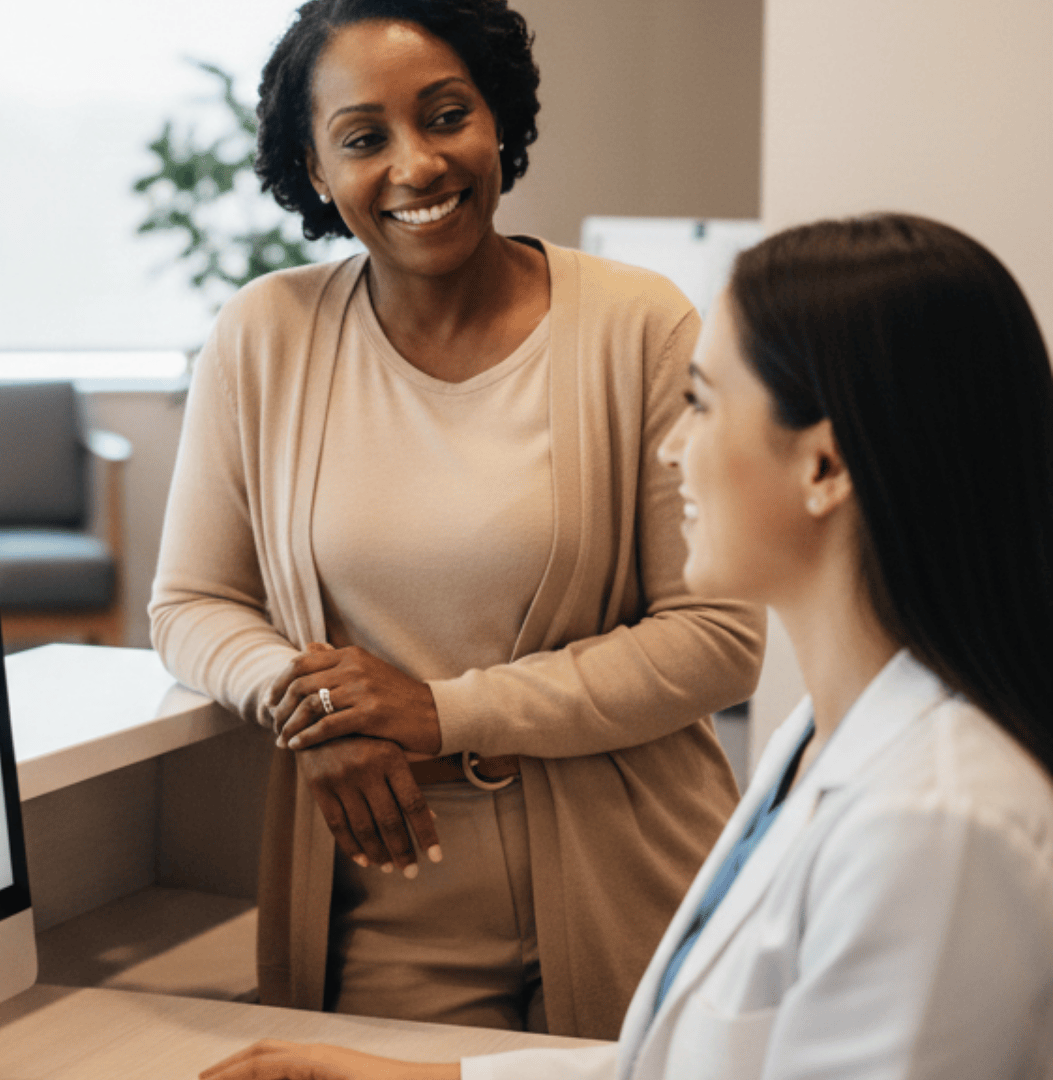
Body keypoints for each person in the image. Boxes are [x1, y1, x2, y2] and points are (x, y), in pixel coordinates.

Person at [201, 213, 1053, 1079]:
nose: (674, 450)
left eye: (703, 406)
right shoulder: (823, 742)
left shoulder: (935, 824)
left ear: (824, 469)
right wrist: (414, 1078)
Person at [148, 0, 765, 1039]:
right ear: (313, 165)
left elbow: (718, 641)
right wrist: (312, 710)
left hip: (635, 872)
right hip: (383, 897)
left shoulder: (640, 323)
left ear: (499, 120)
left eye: (446, 116)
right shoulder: (268, 333)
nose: (417, 165)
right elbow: (192, 603)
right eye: (364, 137)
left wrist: (440, 713)